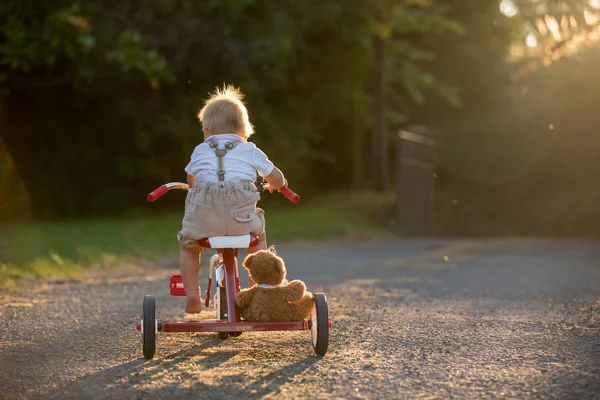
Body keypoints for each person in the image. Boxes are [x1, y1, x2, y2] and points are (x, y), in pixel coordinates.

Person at [178, 85, 287, 314]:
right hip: (241, 219)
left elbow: (191, 180)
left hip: (205, 218)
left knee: (189, 246)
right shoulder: (249, 149)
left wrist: (196, 188)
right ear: (244, 131)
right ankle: (260, 288)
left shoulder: (200, 150)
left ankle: (191, 295)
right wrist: (279, 185)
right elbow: (274, 175)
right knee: (257, 236)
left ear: (207, 130)